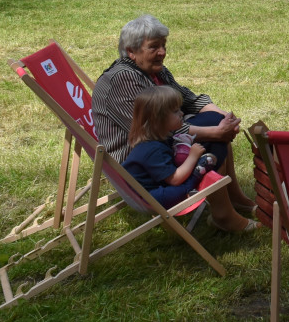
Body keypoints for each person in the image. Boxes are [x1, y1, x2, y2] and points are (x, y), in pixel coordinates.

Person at [92, 14, 258, 232]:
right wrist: (216, 131)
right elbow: (153, 129)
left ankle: (232, 198)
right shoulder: (123, 79)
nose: (162, 52)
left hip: (157, 145)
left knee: (216, 123)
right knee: (213, 134)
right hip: (140, 162)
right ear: (131, 51)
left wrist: (226, 118)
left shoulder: (154, 71)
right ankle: (223, 214)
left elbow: (190, 100)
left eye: (163, 45)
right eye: (154, 47)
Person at [122, 86, 219, 208]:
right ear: (157, 120)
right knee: (171, 192)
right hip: (149, 198)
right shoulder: (153, 149)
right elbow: (175, 179)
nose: (182, 113)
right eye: (175, 111)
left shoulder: (156, 141)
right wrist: (192, 157)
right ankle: (192, 182)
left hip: (149, 188)